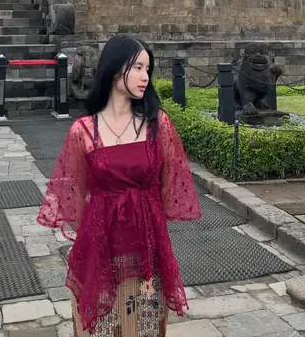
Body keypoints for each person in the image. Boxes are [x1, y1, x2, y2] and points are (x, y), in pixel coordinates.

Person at [37, 34, 201, 336]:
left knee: (144, 328)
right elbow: (75, 198)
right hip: (100, 249)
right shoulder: (82, 131)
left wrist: (142, 215)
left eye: (148, 69)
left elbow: (171, 189)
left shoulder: (157, 125)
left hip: (147, 251)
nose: (145, 76)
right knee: (103, 328)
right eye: (138, 67)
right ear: (115, 70)